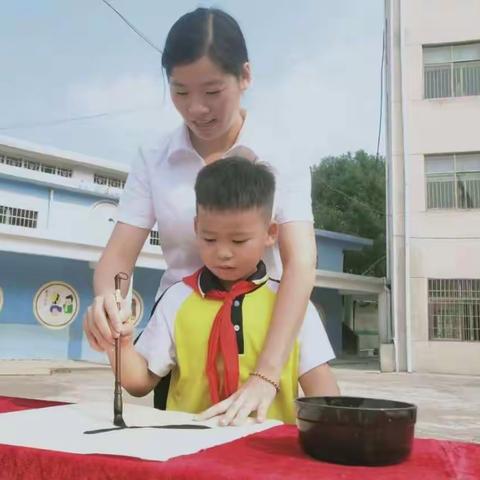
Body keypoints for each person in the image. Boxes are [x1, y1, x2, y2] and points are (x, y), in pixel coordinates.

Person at [83, 7, 319, 425]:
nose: (196, 109)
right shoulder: (154, 158)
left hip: (265, 329)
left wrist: (267, 374)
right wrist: (108, 308)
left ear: (244, 77)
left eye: (212, 92)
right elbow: (117, 259)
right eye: (180, 92)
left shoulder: (281, 152)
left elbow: (301, 260)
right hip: (181, 333)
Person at [100, 157, 339, 424]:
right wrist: (118, 345)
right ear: (195, 228)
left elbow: (324, 394)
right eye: (209, 238)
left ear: (271, 233)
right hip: (186, 452)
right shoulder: (177, 300)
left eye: (239, 240)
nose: (223, 253)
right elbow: (139, 382)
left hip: (268, 456)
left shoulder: (291, 307)